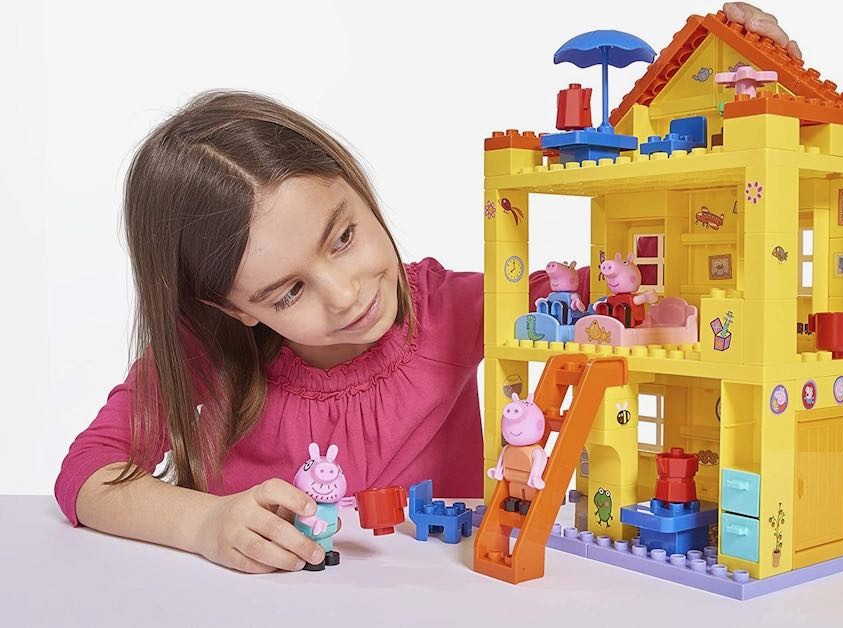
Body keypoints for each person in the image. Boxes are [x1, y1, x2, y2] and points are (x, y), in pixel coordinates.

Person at [54, 3, 796, 574]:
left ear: (354, 184)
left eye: (342, 237)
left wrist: (761, 97)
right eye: (287, 294)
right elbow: (86, 474)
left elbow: (613, 297)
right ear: (230, 308)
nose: (345, 294)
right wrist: (202, 524)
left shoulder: (449, 310)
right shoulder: (209, 353)